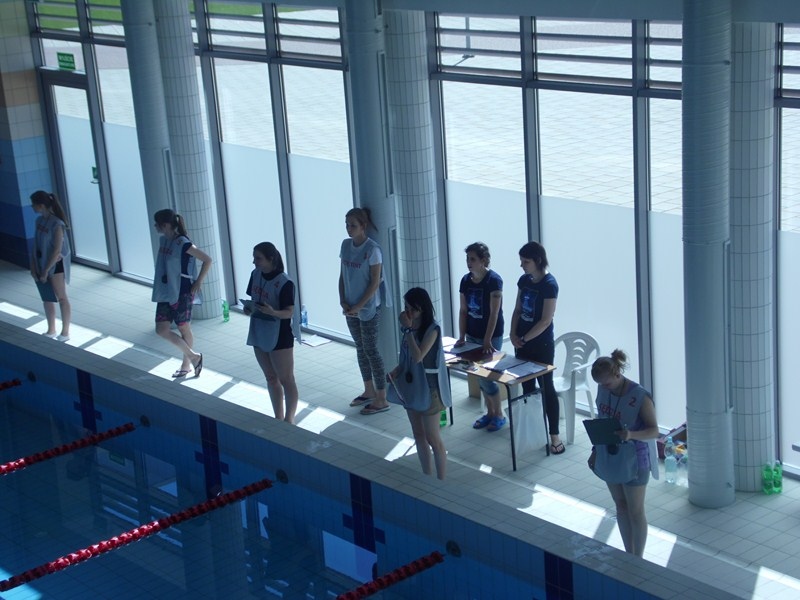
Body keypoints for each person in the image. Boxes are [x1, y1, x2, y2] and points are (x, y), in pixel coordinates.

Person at [590, 349, 659, 557]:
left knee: (635, 511)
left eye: (607, 383)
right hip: (609, 455)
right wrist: (595, 451)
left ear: (617, 374)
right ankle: (629, 554)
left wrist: (631, 435)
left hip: (636, 460)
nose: (604, 388)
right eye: (600, 384)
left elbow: (654, 431)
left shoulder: (640, 397)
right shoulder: (603, 388)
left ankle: (638, 557)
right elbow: (601, 422)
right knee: (620, 506)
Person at [389, 287, 452, 480]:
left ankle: (441, 480)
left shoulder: (432, 330)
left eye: (413, 309)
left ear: (422, 309)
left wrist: (408, 329)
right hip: (412, 388)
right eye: (406, 308)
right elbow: (406, 359)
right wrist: (397, 371)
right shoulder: (409, 328)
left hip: (430, 390)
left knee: (433, 438)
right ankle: (427, 476)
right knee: (418, 434)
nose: (408, 313)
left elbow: (418, 356)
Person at [509, 241, 564, 454]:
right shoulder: (524, 280)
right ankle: (535, 431)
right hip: (522, 342)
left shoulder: (549, 284)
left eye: (526, 262)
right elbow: (517, 310)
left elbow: (545, 320)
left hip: (541, 344)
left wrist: (524, 338)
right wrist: (513, 334)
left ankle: (554, 436)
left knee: (546, 387)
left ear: (537, 261)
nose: (521, 265)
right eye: (521, 261)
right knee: (527, 387)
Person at [339, 207, 390, 415]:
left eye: (353, 225)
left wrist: (359, 305)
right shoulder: (345, 245)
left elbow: (375, 282)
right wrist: (342, 300)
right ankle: (368, 390)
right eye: (347, 225)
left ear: (363, 226)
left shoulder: (373, 250)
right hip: (350, 307)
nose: (349, 229)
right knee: (360, 348)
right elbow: (342, 276)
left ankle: (382, 398)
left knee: (371, 350)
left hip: (368, 308)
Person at [151, 209, 212, 378]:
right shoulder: (165, 241)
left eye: (157, 224)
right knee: (161, 329)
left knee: (183, 327)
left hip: (182, 291)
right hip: (166, 291)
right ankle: (194, 357)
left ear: (165, 225)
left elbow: (207, 260)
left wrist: (198, 282)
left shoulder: (183, 243)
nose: (155, 227)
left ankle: (186, 365)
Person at [244, 242, 299, 423]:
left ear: (271, 259)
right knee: (270, 377)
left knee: (286, 379)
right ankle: (278, 418)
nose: (254, 262)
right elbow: (253, 299)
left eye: (258, 258)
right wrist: (248, 308)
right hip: (259, 330)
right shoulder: (255, 275)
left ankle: (289, 420)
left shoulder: (285, 283)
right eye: (254, 258)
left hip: (280, 336)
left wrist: (273, 312)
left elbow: (289, 312)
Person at [455, 242, 505, 431]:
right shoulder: (465, 280)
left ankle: (498, 414)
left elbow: (494, 313)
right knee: (478, 375)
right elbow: (463, 310)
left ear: (483, 260)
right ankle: (490, 413)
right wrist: (461, 336)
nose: (469, 262)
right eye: (467, 259)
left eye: (473, 259)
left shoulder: (494, 280)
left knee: (487, 376)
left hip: (491, 335)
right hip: (472, 333)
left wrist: (487, 339)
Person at [30, 190, 72, 341]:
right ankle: (51, 329)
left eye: (33, 204)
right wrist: (33, 266)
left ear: (41, 205)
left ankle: (65, 332)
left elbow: (56, 251)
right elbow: (35, 245)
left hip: (55, 266)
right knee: (47, 297)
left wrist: (46, 271)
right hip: (41, 264)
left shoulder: (57, 224)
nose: (32, 207)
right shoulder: (39, 221)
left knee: (61, 297)